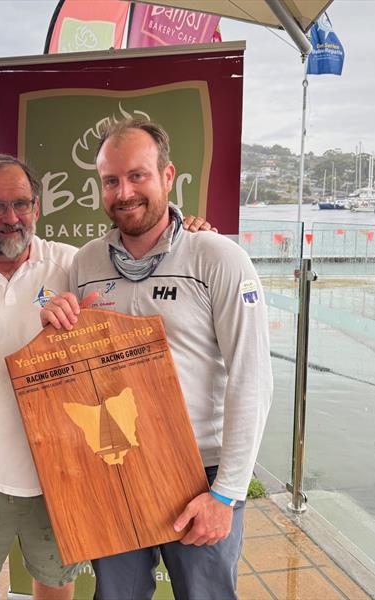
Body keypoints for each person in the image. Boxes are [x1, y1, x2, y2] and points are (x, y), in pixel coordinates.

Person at [0, 154, 214, 600]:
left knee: (56, 587)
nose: (10, 218)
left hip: (65, 471)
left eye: (22, 204)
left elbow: (142, 274)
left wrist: (188, 238)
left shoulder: (74, 265)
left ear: (38, 207)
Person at [40, 119, 273, 600]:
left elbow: (252, 380)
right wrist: (54, 322)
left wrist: (226, 493)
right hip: (115, 468)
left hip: (200, 475)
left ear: (168, 177)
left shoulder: (218, 258)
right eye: (110, 180)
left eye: (137, 176)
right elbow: (74, 369)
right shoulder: (84, 264)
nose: (124, 192)